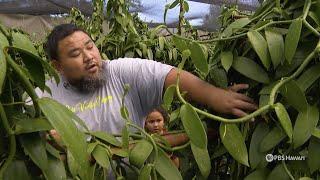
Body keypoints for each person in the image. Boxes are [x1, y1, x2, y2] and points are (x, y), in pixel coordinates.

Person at [40, 23, 257, 137]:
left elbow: (167, 76)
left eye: (90, 46)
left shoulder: (118, 72)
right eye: (76, 54)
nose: (89, 57)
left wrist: (215, 95)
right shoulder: (42, 96)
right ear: (57, 66)